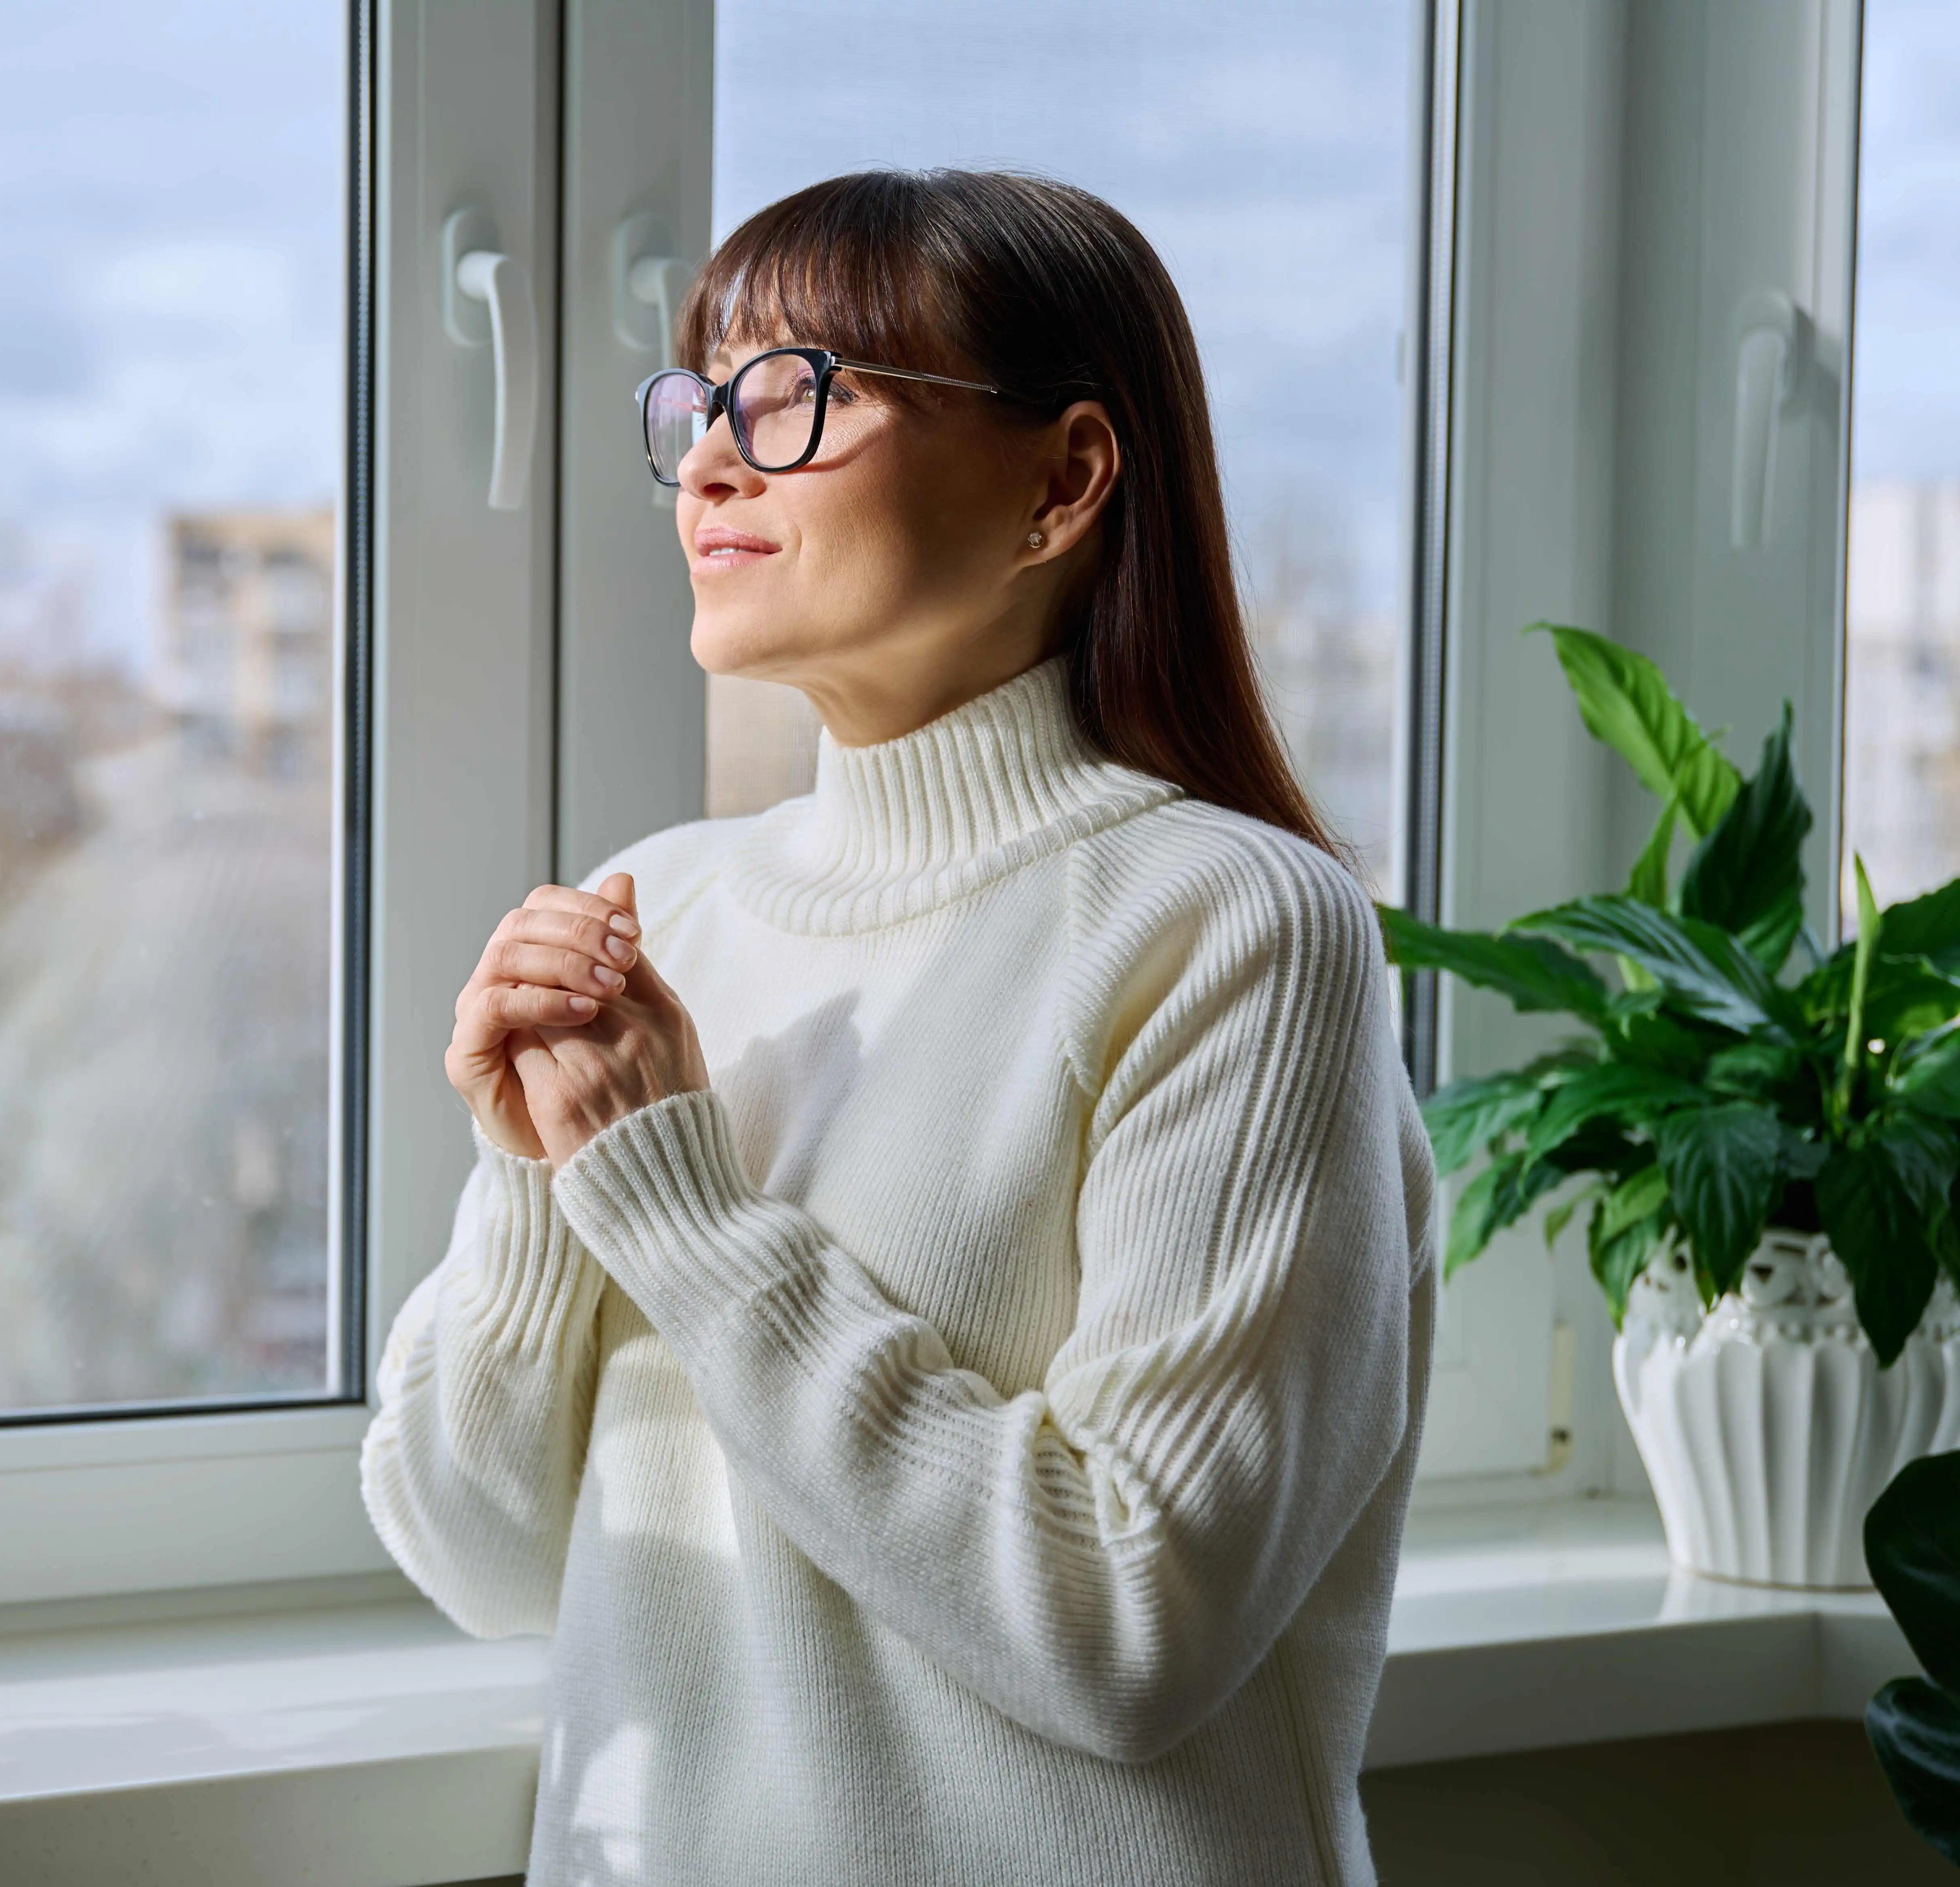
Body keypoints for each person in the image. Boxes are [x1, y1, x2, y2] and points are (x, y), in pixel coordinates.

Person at [360, 169, 1436, 1886]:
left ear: (1064, 480)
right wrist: (539, 1188)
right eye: (703, 399)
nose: (713, 462)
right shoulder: (658, 907)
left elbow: (1131, 1626)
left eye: (800, 392)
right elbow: (476, 1559)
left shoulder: (1235, 924)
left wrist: (684, 1214)